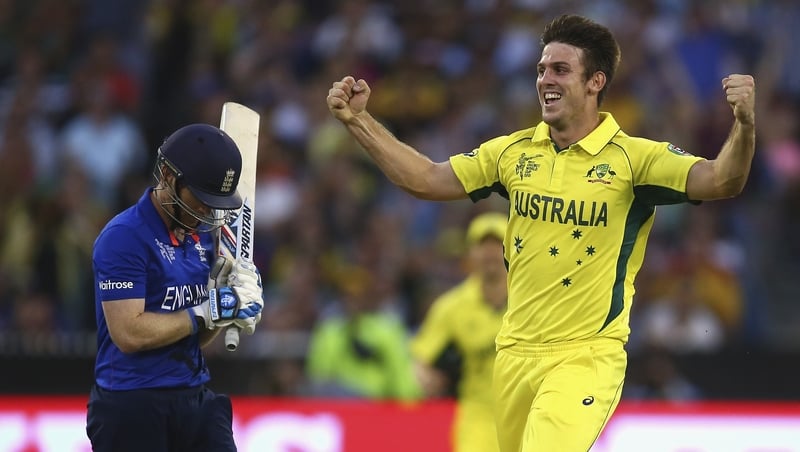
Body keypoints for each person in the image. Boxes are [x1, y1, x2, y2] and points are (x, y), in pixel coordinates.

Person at [326, 14, 755, 452]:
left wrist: (744, 124)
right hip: (513, 355)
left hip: (585, 355)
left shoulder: (634, 160)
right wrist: (359, 122)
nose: (545, 79)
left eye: (560, 70)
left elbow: (723, 180)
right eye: (541, 69)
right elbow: (427, 179)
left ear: (595, 82)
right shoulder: (512, 153)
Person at [86, 123, 265, 452]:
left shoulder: (198, 239)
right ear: (168, 176)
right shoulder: (124, 236)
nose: (207, 211)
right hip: (132, 406)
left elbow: (198, 333)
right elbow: (129, 333)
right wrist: (211, 307)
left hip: (194, 397)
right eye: (200, 198)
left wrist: (230, 305)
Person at [410, 211, 508, 452]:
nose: (490, 254)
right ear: (470, 254)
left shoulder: (532, 300)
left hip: (528, 408)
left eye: (498, 246)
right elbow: (420, 360)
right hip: (478, 413)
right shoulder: (452, 307)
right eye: (482, 246)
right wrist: (427, 379)